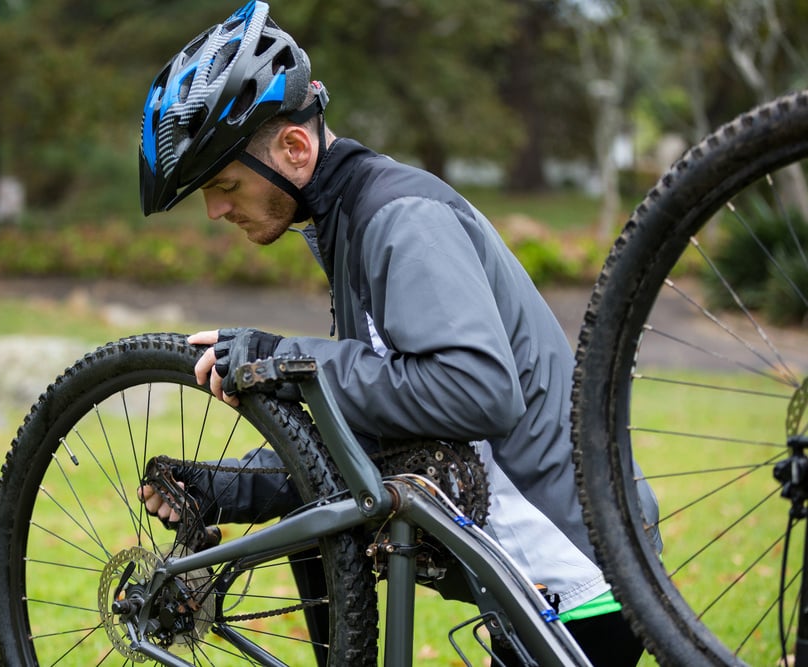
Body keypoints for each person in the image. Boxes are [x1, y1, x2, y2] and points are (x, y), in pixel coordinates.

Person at [137, 2, 660, 664]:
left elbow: (475, 391)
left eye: (223, 183)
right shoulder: (349, 224)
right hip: (537, 583)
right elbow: (388, 425)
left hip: (577, 578)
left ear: (295, 149)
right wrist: (229, 486)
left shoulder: (399, 218)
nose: (214, 210)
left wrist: (280, 360)